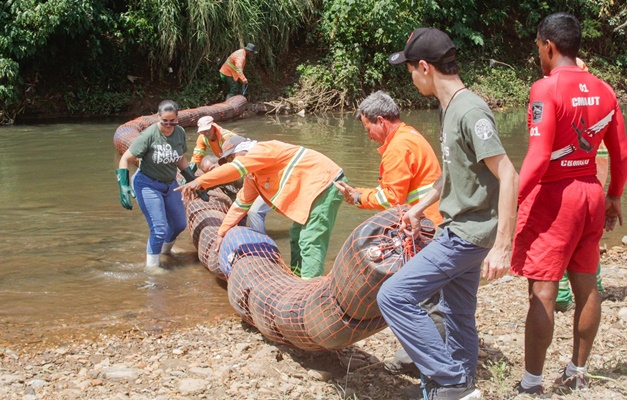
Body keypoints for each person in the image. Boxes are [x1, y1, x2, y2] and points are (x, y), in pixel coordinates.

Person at [377, 27, 519, 400]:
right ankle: (462, 387)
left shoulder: (470, 110)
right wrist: (419, 207)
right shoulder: (448, 108)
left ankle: (449, 381)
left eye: (409, 69)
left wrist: (504, 245)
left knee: (393, 296)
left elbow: (508, 174)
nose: (410, 78)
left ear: (425, 67)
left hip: (467, 234)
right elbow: (453, 172)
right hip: (458, 228)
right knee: (457, 314)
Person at [511, 12, 627, 395]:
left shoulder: (545, 88)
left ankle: (532, 383)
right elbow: (621, 153)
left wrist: (512, 201)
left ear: (549, 45)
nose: (539, 55)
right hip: (591, 192)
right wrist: (613, 197)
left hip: (554, 198)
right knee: (587, 285)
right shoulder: (606, 90)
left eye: (538, 48)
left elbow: (539, 157)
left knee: (542, 292)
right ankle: (577, 371)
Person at [334, 90, 446, 376]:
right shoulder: (410, 136)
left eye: (367, 127)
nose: (368, 135)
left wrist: (358, 198)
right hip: (432, 224)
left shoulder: (398, 147)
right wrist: (359, 194)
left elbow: (392, 199)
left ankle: (428, 364)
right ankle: (426, 356)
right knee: (429, 296)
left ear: (381, 121)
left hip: (425, 230)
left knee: (423, 298)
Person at [176, 135, 346, 279]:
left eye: (231, 157)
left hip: (326, 184)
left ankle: (310, 287)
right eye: (228, 159)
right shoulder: (253, 175)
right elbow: (240, 204)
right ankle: (297, 276)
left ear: (242, 150)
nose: (232, 161)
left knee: (310, 239)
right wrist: (222, 233)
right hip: (312, 191)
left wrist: (200, 182)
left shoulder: (263, 150)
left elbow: (235, 169)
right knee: (296, 234)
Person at [116, 100, 200, 268]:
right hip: (147, 184)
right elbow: (126, 158)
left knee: (179, 224)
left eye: (172, 121)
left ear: (177, 119)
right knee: (159, 228)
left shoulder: (180, 133)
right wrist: (123, 185)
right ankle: (152, 269)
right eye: (165, 121)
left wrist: (194, 180)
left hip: (170, 184)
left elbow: (180, 159)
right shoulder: (149, 135)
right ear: (158, 118)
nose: (169, 125)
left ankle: (165, 252)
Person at [190, 116, 270, 233]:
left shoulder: (227, 137)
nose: (206, 133)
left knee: (251, 207)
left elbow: (236, 166)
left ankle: (256, 235)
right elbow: (197, 155)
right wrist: (190, 173)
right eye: (203, 131)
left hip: (241, 169)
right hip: (229, 166)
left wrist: (205, 184)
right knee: (239, 202)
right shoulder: (203, 137)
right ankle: (242, 227)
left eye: (207, 130)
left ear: (213, 127)